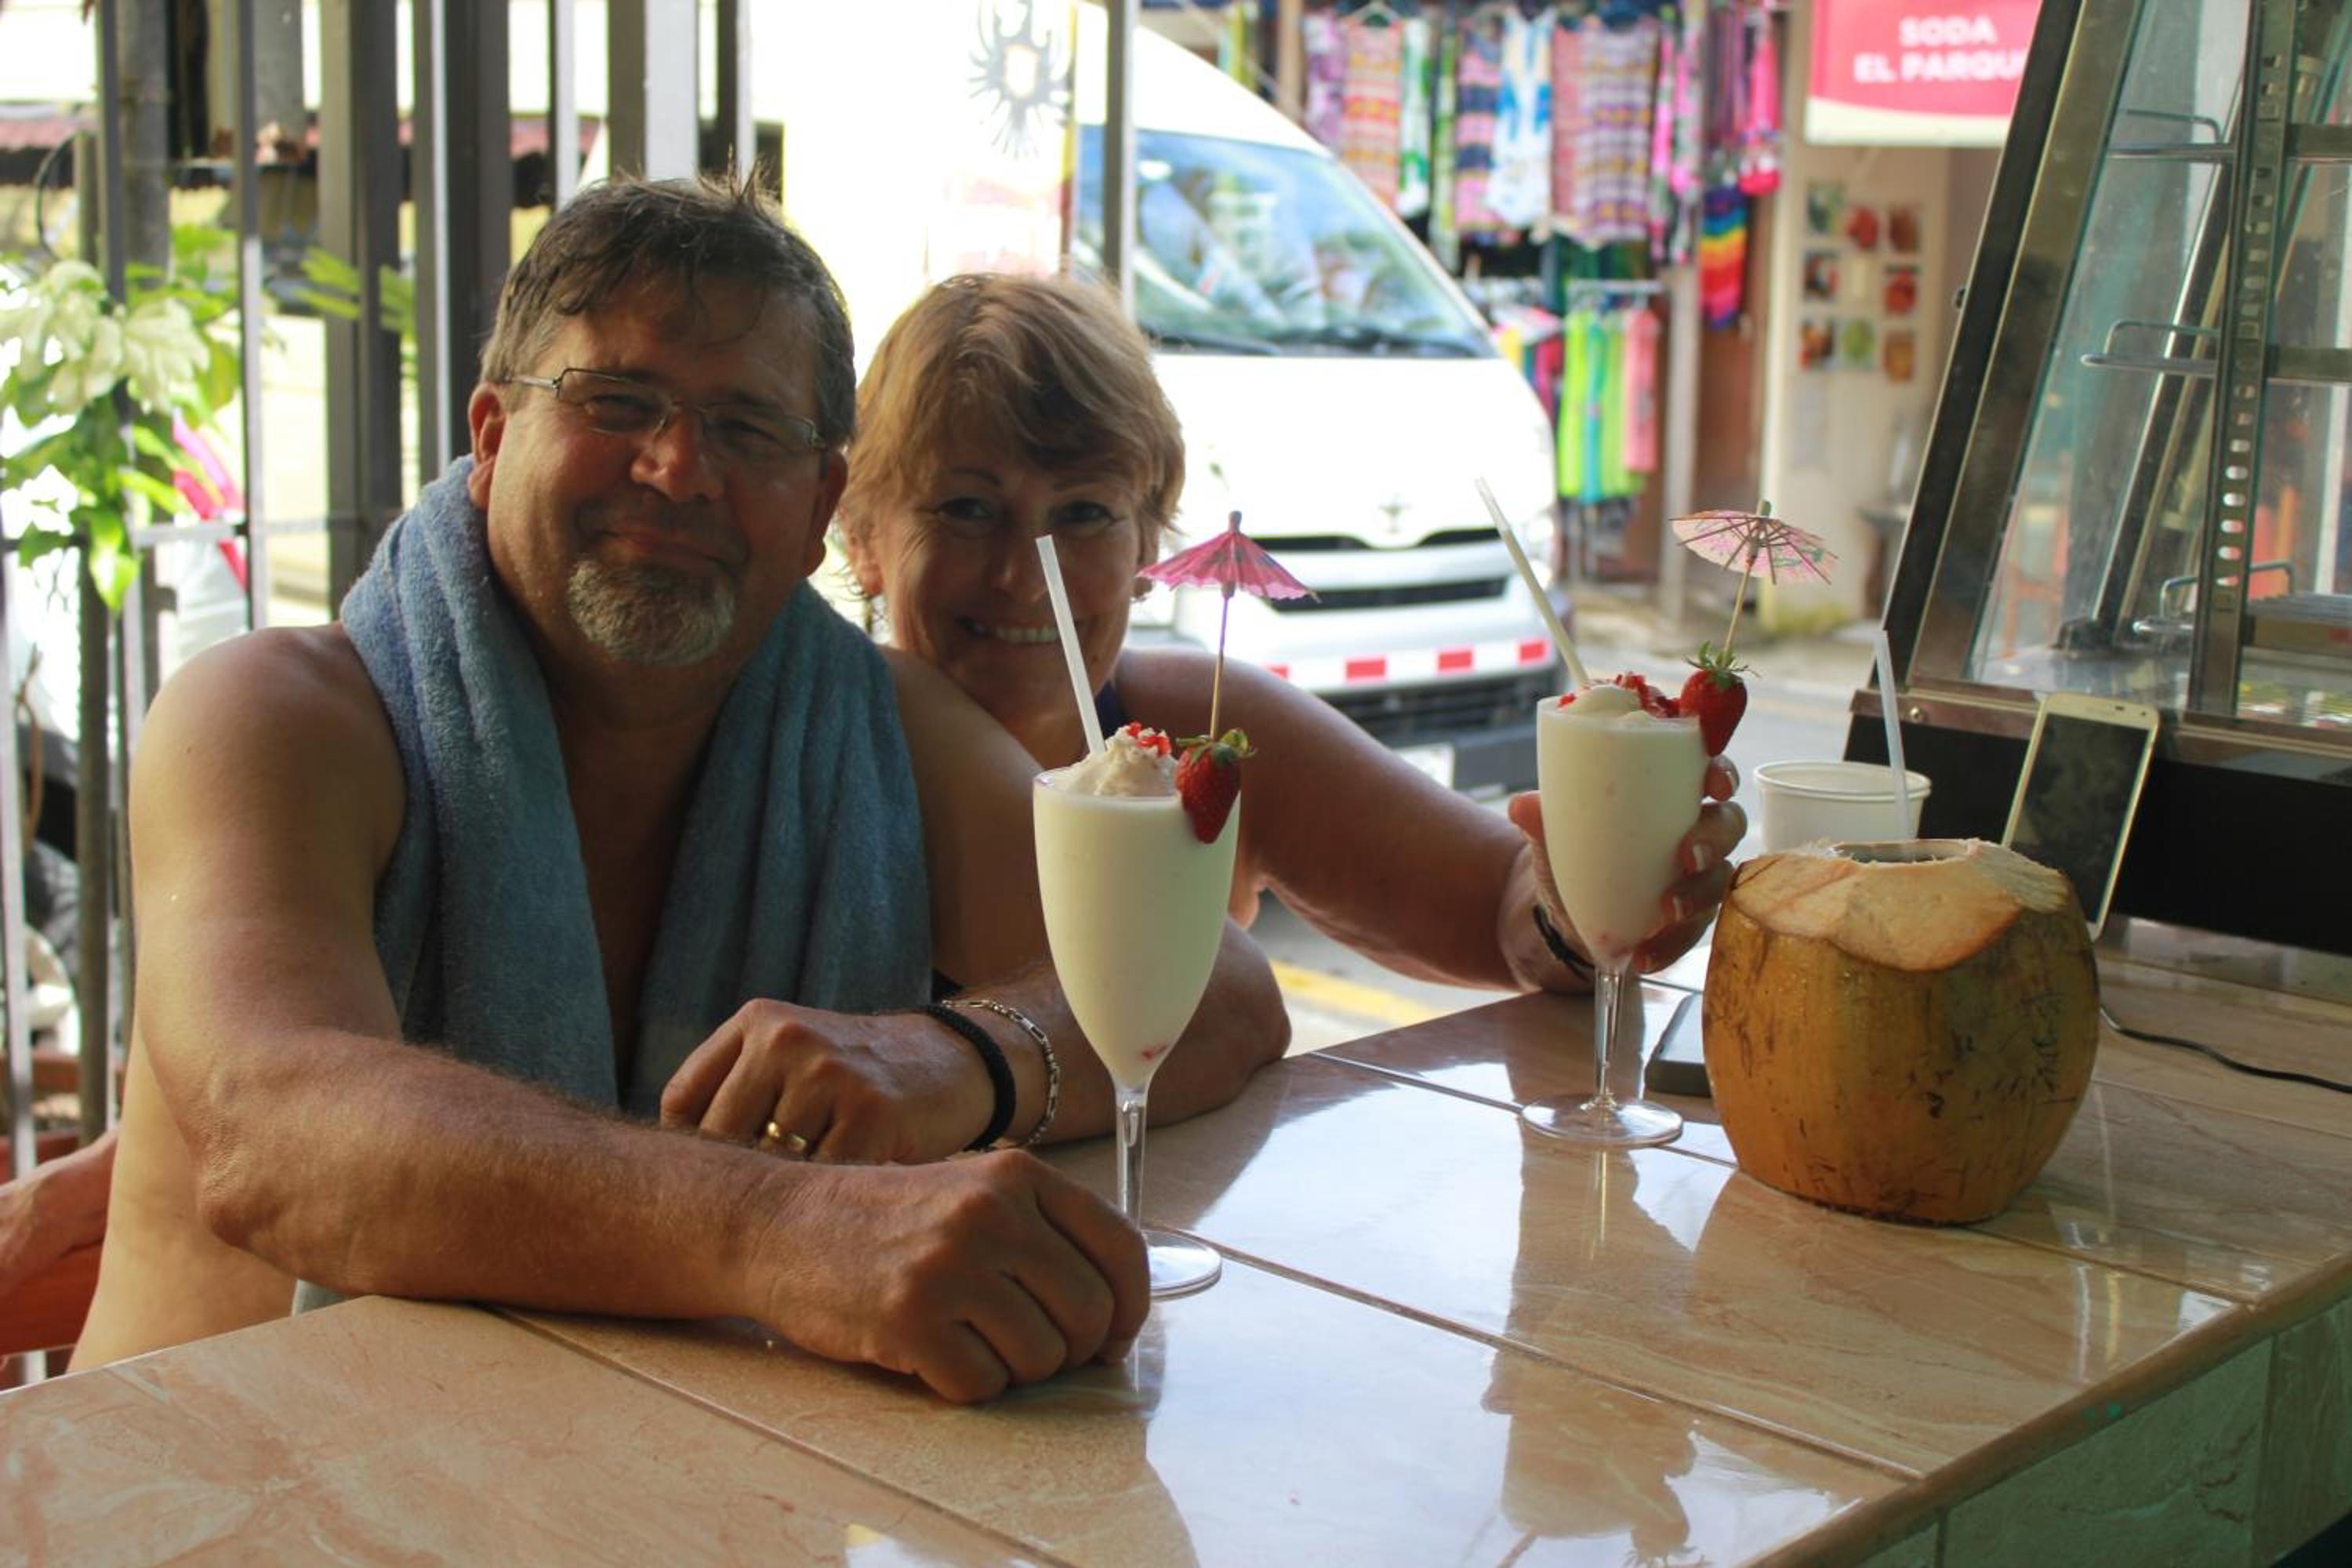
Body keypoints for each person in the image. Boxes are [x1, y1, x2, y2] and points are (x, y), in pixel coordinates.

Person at [69, 176, 1287, 1404]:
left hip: (656, 1480)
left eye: (749, 430)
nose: (678, 468)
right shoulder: (274, 717)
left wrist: (959, 1057)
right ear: (490, 438)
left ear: (819, 510)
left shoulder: (883, 728)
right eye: (616, 401)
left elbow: (1218, 990)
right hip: (207, 1478)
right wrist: (786, 1227)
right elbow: (275, 1135)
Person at [833, 272, 1744, 996]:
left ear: (1148, 542)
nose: (1027, 573)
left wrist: (1583, 897)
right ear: (862, 534)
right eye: (965, 509)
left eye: (1083, 513)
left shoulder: (1199, 729)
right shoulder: (809, 748)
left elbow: (1503, 908)